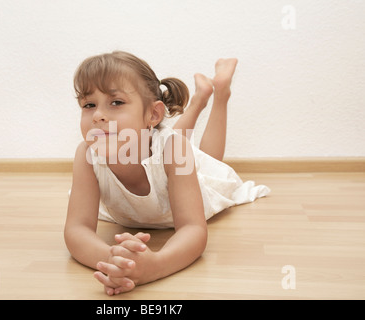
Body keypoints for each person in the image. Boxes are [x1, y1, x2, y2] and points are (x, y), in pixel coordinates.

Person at [64, 51, 270, 295]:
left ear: (153, 114)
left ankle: (220, 93)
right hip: (165, 149)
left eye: (116, 102)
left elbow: (193, 230)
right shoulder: (87, 155)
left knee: (199, 156)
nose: (97, 115)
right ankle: (198, 100)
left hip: (189, 181)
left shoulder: (175, 149)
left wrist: (156, 265)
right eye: (89, 105)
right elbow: (76, 230)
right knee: (172, 143)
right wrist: (115, 260)